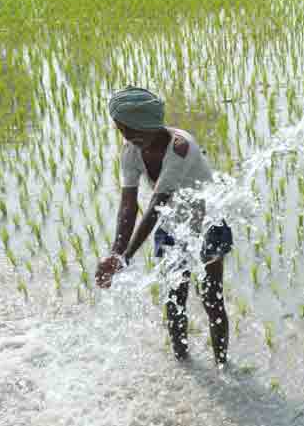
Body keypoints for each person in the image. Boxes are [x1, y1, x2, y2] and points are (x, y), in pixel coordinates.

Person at [95, 87, 233, 365]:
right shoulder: (131, 151)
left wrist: (126, 258)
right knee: (173, 298)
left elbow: (157, 204)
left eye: (126, 128)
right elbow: (128, 205)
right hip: (172, 225)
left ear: (142, 125)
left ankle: (222, 366)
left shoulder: (180, 147)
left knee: (211, 298)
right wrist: (115, 253)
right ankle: (183, 363)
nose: (124, 134)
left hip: (207, 223)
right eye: (120, 128)